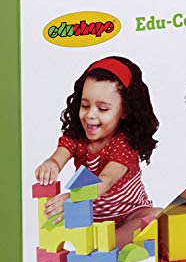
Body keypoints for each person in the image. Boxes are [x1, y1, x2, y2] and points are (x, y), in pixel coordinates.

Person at [35, 56, 160, 248]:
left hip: (130, 215)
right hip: (91, 217)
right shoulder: (77, 136)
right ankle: (99, 240)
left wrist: (73, 198)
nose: (90, 115)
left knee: (157, 216)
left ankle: (107, 242)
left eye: (102, 109)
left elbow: (106, 179)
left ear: (124, 111)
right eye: (85, 105)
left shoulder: (124, 144)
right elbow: (59, 155)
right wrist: (52, 163)